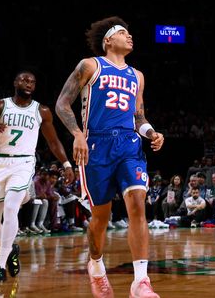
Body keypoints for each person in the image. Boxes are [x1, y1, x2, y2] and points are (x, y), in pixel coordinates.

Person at [55, 17, 164, 298]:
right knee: (100, 218)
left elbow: (138, 117)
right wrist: (78, 134)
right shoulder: (90, 65)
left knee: (138, 203)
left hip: (129, 144)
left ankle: (141, 282)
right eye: (124, 33)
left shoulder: (137, 75)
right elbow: (62, 103)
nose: (130, 37)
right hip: (96, 145)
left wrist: (151, 133)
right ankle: (96, 266)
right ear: (108, 40)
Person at [0, 70, 74, 283]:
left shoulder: (42, 111)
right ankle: (10, 248)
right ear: (15, 82)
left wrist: (67, 163)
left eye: (32, 81)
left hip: (23, 163)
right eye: (24, 79)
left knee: (12, 207)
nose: (28, 83)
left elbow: (53, 142)